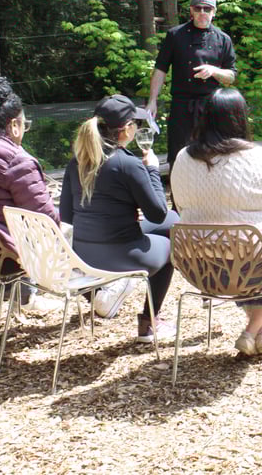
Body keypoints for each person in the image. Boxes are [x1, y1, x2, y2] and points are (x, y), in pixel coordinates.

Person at [170, 88, 262, 356]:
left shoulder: (183, 158)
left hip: (202, 269)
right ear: (241, 118)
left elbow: (182, 207)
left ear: (204, 118)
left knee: (244, 255)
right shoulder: (261, 158)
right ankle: (254, 331)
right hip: (251, 266)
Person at [60, 94, 179, 341]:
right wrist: (153, 170)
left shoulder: (76, 162)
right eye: (135, 124)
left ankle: (109, 300)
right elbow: (157, 214)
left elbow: (67, 214)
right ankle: (149, 323)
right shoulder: (128, 164)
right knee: (171, 245)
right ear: (126, 130)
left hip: (82, 254)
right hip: (120, 253)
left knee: (173, 221)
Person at [0, 77, 59, 309]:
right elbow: (46, 220)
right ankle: (96, 293)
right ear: (13, 125)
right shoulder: (17, 161)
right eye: (24, 124)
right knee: (71, 225)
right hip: (6, 257)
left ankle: (21, 296)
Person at [146, 0, 237, 170]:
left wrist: (214, 71)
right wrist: (152, 101)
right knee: (178, 155)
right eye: (198, 8)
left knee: (214, 154)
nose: (202, 12)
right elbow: (160, 69)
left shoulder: (223, 39)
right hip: (181, 106)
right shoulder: (175, 35)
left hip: (212, 106)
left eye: (207, 8)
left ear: (214, 11)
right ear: (191, 11)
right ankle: (178, 197)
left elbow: (231, 77)